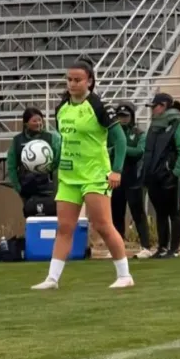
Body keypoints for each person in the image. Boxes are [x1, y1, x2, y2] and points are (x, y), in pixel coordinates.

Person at [31, 57, 134, 290]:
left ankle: (125, 275)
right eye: (69, 79)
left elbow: (119, 139)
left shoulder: (99, 106)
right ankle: (52, 279)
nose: (72, 84)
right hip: (69, 176)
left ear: (89, 81)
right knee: (64, 227)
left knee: (102, 224)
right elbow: (64, 141)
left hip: (95, 175)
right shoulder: (61, 109)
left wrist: (116, 170)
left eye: (78, 80)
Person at [141, 92, 180, 258]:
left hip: (170, 176)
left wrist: (175, 173)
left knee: (173, 212)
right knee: (160, 213)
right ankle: (162, 248)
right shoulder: (154, 125)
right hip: (154, 176)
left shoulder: (179, 124)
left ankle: (174, 249)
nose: (152, 110)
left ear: (163, 106)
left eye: (154, 107)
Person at [110, 102, 153, 259]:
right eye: (120, 116)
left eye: (126, 116)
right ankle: (117, 247)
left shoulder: (138, 133)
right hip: (116, 179)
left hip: (134, 178)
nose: (123, 120)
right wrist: (116, 149)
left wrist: (121, 148)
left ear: (132, 117)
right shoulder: (111, 133)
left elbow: (139, 151)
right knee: (116, 214)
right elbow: (106, 150)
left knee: (138, 213)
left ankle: (146, 247)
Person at [6, 107, 62, 218]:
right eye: (34, 121)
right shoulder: (17, 141)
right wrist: (18, 188)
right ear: (26, 123)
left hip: (48, 189)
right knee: (31, 217)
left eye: (40, 120)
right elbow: (11, 166)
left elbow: (57, 161)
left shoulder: (50, 138)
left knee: (50, 217)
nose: (38, 123)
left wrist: (56, 188)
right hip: (27, 189)